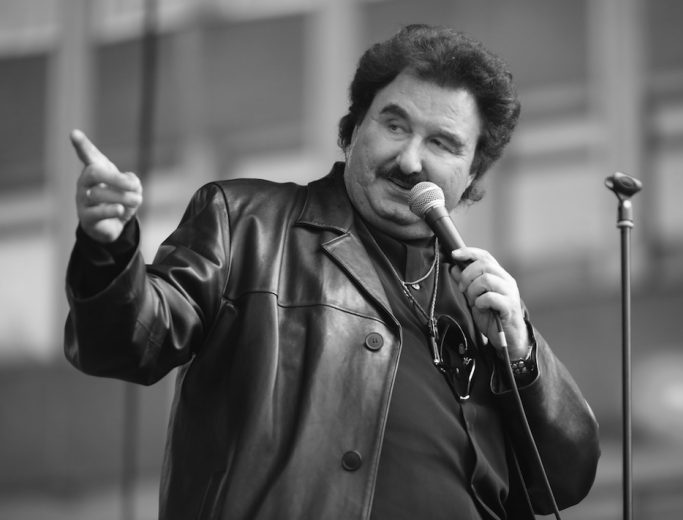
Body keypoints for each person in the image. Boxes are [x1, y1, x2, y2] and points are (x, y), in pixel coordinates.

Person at [64, 24, 599, 520]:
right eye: (394, 125)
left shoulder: (477, 302)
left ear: (473, 171)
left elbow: (564, 480)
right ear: (354, 128)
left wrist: (520, 352)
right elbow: (129, 341)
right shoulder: (247, 223)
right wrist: (108, 248)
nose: (410, 161)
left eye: (442, 143)